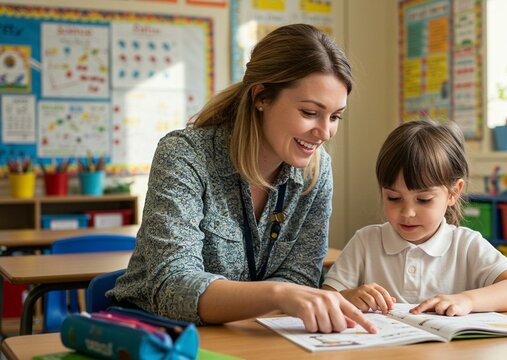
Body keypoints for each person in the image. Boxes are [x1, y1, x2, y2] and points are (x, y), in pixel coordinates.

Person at [109, 24, 376, 334]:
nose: (325, 132)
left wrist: (287, 294)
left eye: (335, 117)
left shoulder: (317, 169)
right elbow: (172, 286)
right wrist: (278, 294)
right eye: (309, 112)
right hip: (156, 333)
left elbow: (300, 276)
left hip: (251, 333)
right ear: (261, 97)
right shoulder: (185, 155)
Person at [322, 120, 507, 316]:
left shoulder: (466, 245)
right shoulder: (365, 242)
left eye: (423, 199)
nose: (407, 213)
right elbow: (326, 298)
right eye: (394, 198)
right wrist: (349, 297)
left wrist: (467, 300)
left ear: (453, 192)